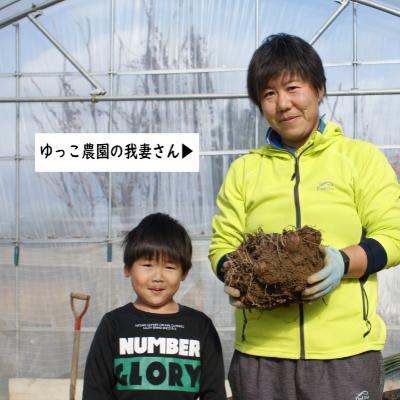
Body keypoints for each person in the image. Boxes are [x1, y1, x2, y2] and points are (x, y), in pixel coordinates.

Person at [209, 33, 400, 400]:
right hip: (262, 355)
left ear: (319, 88)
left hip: (345, 353)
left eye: (293, 87)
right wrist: (235, 274)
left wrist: (342, 262)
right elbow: (221, 245)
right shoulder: (244, 170)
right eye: (268, 94)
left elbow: (393, 235)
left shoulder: (360, 159)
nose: (283, 104)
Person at [83, 212, 226, 400]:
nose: (158, 277)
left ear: (184, 272)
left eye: (169, 267)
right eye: (148, 265)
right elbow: (95, 392)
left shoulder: (200, 326)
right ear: (127, 268)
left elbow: (214, 392)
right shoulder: (114, 324)